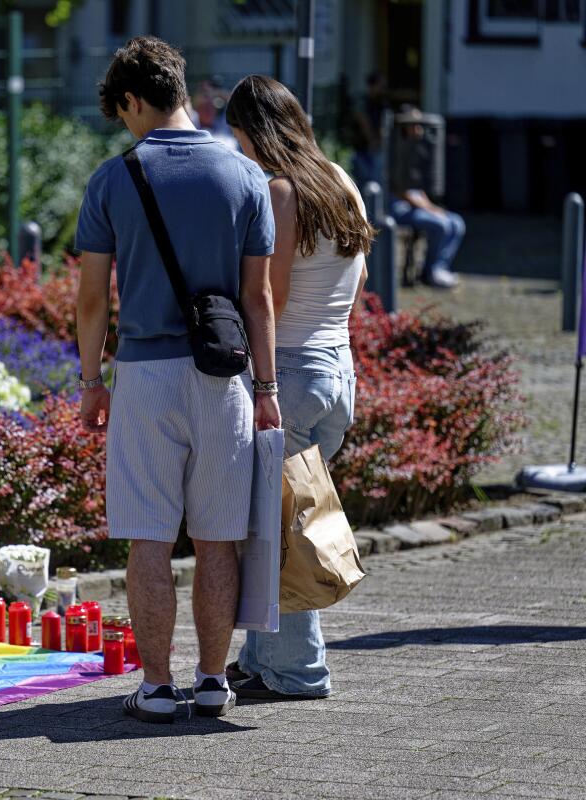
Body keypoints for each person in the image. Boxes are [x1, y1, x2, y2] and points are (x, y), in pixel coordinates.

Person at [75, 36, 280, 724]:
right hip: (227, 377)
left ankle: (158, 687)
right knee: (219, 538)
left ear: (133, 100)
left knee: (150, 539)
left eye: (123, 113)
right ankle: (216, 680)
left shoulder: (112, 180)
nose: (126, 126)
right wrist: (270, 391)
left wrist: (90, 381)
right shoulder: (246, 178)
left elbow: (92, 299)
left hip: (145, 374)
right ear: (183, 92)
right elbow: (260, 300)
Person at [223, 74, 374, 701]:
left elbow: (271, 300)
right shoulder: (340, 180)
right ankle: (262, 660)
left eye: (236, 137)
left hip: (290, 372)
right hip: (336, 369)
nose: (236, 150)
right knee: (277, 518)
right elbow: (356, 285)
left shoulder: (281, 194)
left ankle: (297, 671)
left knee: (282, 529)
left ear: (255, 132)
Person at [389, 107, 464, 290]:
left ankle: (440, 267)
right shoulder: (395, 152)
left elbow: (418, 189)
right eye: (415, 125)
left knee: (456, 222)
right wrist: (430, 210)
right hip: (399, 209)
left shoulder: (416, 150)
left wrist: (431, 207)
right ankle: (430, 272)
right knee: (441, 225)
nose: (420, 130)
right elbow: (402, 192)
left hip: (419, 206)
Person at [351, 72, 387, 189]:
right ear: (372, 85)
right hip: (363, 147)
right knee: (365, 182)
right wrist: (372, 140)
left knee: (374, 182)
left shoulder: (380, 103)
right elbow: (363, 121)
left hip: (374, 147)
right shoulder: (363, 102)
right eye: (380, 86)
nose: (382, 90)